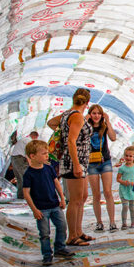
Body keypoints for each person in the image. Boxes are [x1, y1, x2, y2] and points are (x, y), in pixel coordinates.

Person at [47, 88, 94, 247]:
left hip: (80, 161)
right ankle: (72, 236)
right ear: (87, 102)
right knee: (75, 200)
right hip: (74, 161)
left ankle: (78, 231)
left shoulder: (67, 114)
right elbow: (71, 141)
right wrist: (76, 165)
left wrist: (62, 130)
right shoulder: (77, 117)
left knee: (82, 197)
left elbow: (51, 123)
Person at [22, 140, 75, 266]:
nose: (47, 156)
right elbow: (26, 193)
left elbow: (57, 183)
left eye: (47, 153)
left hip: (55, 205)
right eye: (44, 153)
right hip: (41, 209)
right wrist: (34, 210)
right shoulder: (29, 174)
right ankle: (47, 255)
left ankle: (60, 248)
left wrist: (62, 198)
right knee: (45, 233)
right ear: (32, 156)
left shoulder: (49, 168)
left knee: (62, 226)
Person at [86, 104, 118, 232]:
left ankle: (112, 221)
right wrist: (84, 119)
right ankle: (99, 222)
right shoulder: (86, 127)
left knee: (108, 192)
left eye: (99, 113)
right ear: (90, 114)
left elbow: (113, 137)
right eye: (93, 113)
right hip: (91, 162)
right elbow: (77, 133)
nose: (96, 116)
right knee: (96, 194)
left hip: (105, 161)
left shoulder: (104, 127)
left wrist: (108, 121)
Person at [10, 130, 39, 198]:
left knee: (19, 178)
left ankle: (21, 195)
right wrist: (31, 165)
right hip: (19, 159)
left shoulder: (24, 139)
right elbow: (28, 155)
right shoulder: (28, 141)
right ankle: (25, 195)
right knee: (25, 177)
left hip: (14, 158)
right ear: (35, 137)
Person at [116, 146, 134, 230]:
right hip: (124, 190)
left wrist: (133, 183)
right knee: (125, 206)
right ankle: (124, 223)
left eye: (130, 156)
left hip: (132, 189)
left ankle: (133, 222)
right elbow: (118, 179)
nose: (128, 158)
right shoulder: (122, 168)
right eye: (126, 155)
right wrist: (124, 182)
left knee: (132, 207)